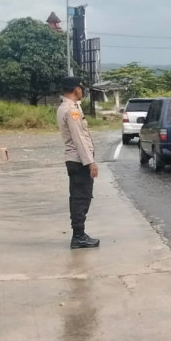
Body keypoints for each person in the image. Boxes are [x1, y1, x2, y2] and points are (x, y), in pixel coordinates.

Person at [57, 76, 100, 249]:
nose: (82, 91)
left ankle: (79, 234)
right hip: (79, 160)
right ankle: (79, 236)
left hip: (74, 160)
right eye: (81, 88)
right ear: (76, 89)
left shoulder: (66, 107)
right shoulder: (71, 110)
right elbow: (79, 139)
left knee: (79, 197)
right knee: (81, 198)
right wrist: (90, 162)